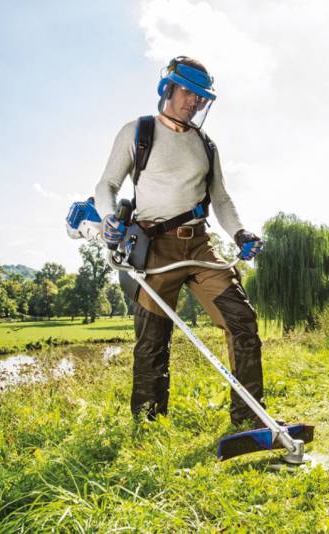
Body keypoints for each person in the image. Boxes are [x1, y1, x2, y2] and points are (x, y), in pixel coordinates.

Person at [94, 56, 267, 428]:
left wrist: (240, 233)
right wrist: (109, 217)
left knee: (242, 321)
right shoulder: (138, 132)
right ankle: (149, 426)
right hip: (154, 249)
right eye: (188, 92)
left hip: (200, 247)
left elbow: (220, 199)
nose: (194, 102)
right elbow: (106, 185)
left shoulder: (207, 146)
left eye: (202, 97)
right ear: (168, 88)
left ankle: (250, 419)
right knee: (152, 341)